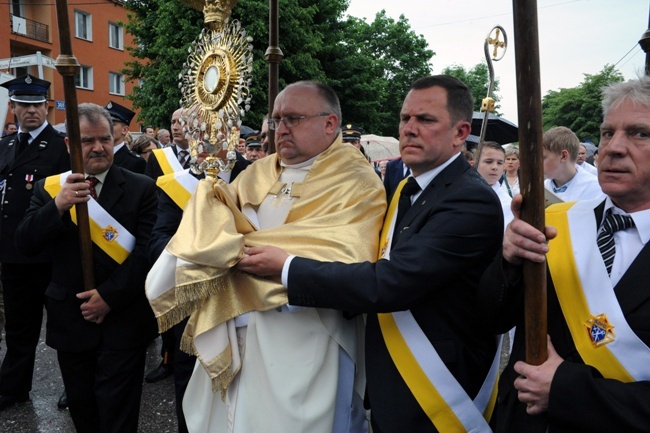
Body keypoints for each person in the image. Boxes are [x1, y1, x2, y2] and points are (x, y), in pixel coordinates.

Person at [238, 75, 504, 432]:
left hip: (435, 379)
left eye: (425, 120)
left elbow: (392, 282)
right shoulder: (409, 187)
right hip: (392, 375)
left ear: (460, 133)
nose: (409, 129)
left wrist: (287, 267)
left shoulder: (469, 198)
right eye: (405, 118)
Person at [146, 80, 386, 433]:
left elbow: (348, 254)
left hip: (308, 331)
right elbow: (218, 229)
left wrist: (242, 255)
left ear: (329, 124)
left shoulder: (357, 182)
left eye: (293, 118)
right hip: (240, 328)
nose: (280, 129)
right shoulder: (257, 171)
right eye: (276, 120)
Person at [479, 75, 650, 432]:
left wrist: (566, 390)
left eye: (640, 133)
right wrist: (508, 262)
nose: (613, 148)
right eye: (607, 133)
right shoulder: (556, 222)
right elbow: (491, 319)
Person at [15, 103, 158, 432]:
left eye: (105, 139)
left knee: (118, 419)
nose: (98, 148)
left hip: (124, 320)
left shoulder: (141, 188)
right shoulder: (49, 189)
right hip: (72, 321)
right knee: (85, 416)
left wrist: (108, 297)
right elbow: (24, 242)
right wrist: (59, 205)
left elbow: (146, 255)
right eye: (87, 141)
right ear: (69, 145)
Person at [0, 75, 71, 411]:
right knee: (18, 326)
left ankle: (74, 385)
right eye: (23, 104)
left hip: (49, 252)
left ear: (47, 106)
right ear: (12, 108)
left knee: (65, 325)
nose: (30, 111)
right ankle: (14, 387)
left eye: (36, 104)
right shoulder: (7, 145)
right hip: (13, 253)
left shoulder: (61, 147)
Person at [543, 126, 604, 202]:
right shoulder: (541, 187)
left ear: (563, 156)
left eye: (543, 158)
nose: (538, 164)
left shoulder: (597, 190)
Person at [476, 141, 514, 230]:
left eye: (500, 163)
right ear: (474, 163)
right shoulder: (457, 191)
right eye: (489, 161)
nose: (495, 167)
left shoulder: (507, 204)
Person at [145, 108, 192, 179]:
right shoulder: (157, 157)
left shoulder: (205, 159)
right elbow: (149, 187)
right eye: (173, 122)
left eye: (181, 122)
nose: (175, 127)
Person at [104, 101, 146, 174]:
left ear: (125, 130)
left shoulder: (135, 162)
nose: (106, 127)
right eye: (104, 123)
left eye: (112, 124)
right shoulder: (96, 155)